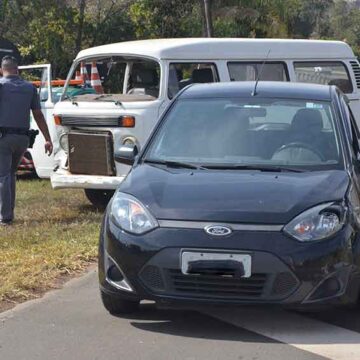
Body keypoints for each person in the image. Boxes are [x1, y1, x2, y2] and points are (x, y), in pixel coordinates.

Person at [0, 56, 53, 226]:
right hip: (23, 139)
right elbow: (38, 115)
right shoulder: (30, 87)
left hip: (3, 137)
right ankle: (9, 212)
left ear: (2, 70)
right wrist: (47, 138)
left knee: (3, 175)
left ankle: (5, 217)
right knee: (11, 174)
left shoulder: (1, 86)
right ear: (17, 70)